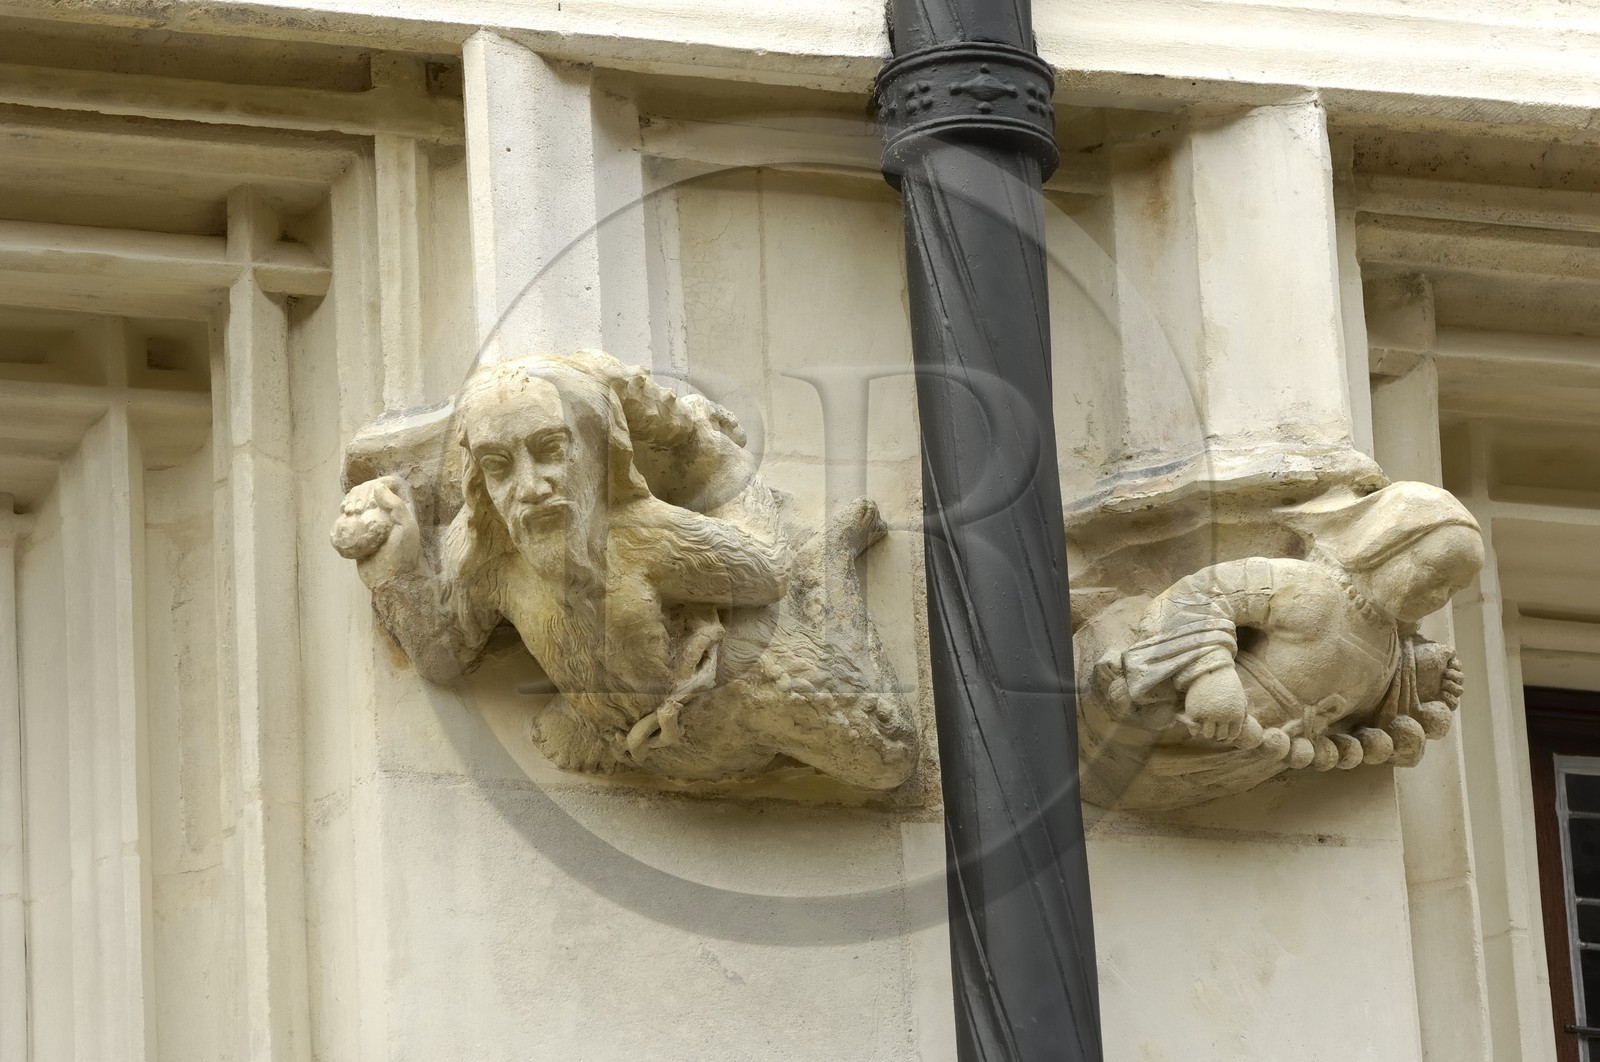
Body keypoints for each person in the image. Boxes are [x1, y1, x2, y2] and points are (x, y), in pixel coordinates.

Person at [1075, 482, 1483, 810]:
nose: (1438, 595)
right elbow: (1203, 593)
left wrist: (1415, 678)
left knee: (1149, 783)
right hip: (1180, 718)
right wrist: (1209, 674)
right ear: (1387, 546)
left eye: (1453, 589)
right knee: (1116, 739)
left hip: (1242, 756)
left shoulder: (1389, 644)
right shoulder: (1313, 589)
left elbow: (1361, 702)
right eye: (1433, 573)